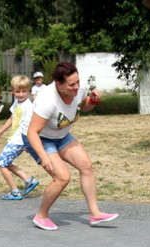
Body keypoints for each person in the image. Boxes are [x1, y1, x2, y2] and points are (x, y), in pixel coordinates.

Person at [21, 62, 118, 231]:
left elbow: (83, 105)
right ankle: (41, 215)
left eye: (78, 82)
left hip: (61, 134)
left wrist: (93, 101)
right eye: (71, 84)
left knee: (86, 166)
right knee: (62, 177)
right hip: (39, 137)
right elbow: (32, 132)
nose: (76, 87)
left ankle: (95, 214)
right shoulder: (47, 100)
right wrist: (44, 156)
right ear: (59, 84)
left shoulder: (78, 90)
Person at [0, 75, 39, 200]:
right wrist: (0, 132)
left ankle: (15, 191)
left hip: (19, 140)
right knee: (5, 162)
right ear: (12, 91)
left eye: (24, 91)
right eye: (18, 91)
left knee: (1, 163)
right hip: (14, 138)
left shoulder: (29, 107)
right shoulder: (17, 103)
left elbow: (32, 126)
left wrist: (29, 143)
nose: (21, 94)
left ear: (29, 91)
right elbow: (12, 118)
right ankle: (29, 180)